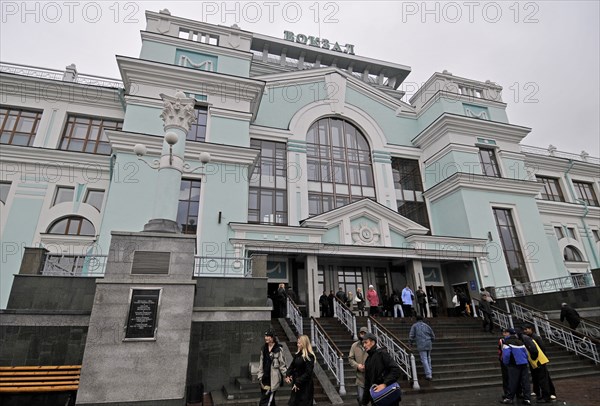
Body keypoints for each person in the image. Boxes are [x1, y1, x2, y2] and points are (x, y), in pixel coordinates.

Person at [360, 332, 401, 406]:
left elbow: (396, 370)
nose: (364, 345)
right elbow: (367, 382)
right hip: (377, 399)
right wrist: (364, 402)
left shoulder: (382, 353)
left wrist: (384, 384)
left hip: (388, 396)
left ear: (373, 342)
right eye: (363, 343)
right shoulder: (368, 360)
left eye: (366, 342)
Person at [522, 323, 557, 403]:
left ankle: (549, 394)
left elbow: (542, 348)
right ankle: (538, 392)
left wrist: (539, 360)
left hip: (539, 361)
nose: (525, 331)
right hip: (534, 362)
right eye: (524, 329)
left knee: (544, 378)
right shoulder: (528, 338)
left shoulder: (536, 338)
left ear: (531, 329)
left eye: (527, 329)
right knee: (537, 377)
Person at [500, 328, 532, 405]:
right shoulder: (520, 342)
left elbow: (506, 355)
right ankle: (527, 399)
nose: (504, 334)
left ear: (508, 333)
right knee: (525, 382)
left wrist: (506, 363)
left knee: (512, 381)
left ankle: (509, 398)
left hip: (513, 364)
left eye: (505, 332)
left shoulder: (507, 342)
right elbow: (526, 353)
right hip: (523, 364)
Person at [258, 329, 288, 406]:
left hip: (273, 380)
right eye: (265, 336)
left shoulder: (278, 349)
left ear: (272, 337)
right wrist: (260, 376)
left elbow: (282, 364)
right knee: (270, 401)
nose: (266, 338)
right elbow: (261, 364)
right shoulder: (263, 348)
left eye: (268, 336)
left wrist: (286, 376)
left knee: (264, 402)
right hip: (264, 379)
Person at [285, 335, 316, 406]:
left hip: (305, 387)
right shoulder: (297, 355)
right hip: (296, 385)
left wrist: (298, 382)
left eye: (299, 343)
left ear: (304, 344)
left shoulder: (309, 356)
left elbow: (308, 373)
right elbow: (291, 367)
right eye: (297, 343)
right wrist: (288, 375)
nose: (297, 345)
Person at [408, 315, 435, 380]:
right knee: (428, 358)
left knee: (424, 359)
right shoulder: (426, 325)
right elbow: (432, 335)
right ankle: (430, 372)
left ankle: (428, 374)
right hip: (428, 343)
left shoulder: (414, 326)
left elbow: (411, 335)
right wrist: (432, 340)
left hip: (421, 343)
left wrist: (410, 343)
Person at [348, 327, 369, 405]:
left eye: (365, 333)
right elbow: (350, 359)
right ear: (359, 334)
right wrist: (357, 366)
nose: (363, 335)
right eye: (361, 333)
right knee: (361, 398)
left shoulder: (371, 345)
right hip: (360, 377)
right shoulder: (354, 345)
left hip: (371, 376)